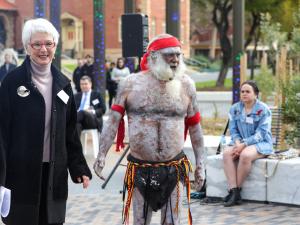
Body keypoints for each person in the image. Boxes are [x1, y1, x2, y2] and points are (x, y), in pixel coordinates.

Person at [93, 34, 205, 225]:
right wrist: (101, 154)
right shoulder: (130, 83)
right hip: (140, 168)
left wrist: (200, 164)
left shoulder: (187, 85)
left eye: (178, 55)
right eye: (169, 55)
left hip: (174, 166)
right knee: (140, 221)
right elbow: (113, 122)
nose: (175, 59)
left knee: (172, 221)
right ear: (153, 56)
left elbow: (195, 127)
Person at [0, 18, 92, 225]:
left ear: (55, 46)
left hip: (53, 174)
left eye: (48, 44)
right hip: (20, 175)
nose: (43, 49)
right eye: (37, 44)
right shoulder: (12, 83)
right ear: (27, 47)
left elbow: (70, 132)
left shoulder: (63, 84)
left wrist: (79, 168)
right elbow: (2, 133)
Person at [222, 80, 273, 207]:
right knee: (227, 153)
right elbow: (233, 130)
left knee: (245, 155)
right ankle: (235, 191)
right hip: (241, 143)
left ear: (256, 94)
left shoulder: (263, 109)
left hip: (261, 143)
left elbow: (261, 133)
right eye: (242, 91)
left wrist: (243, 145)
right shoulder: (235, 109)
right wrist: (238, 142)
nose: (244, 94)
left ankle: (235, 193)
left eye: (248, 91)